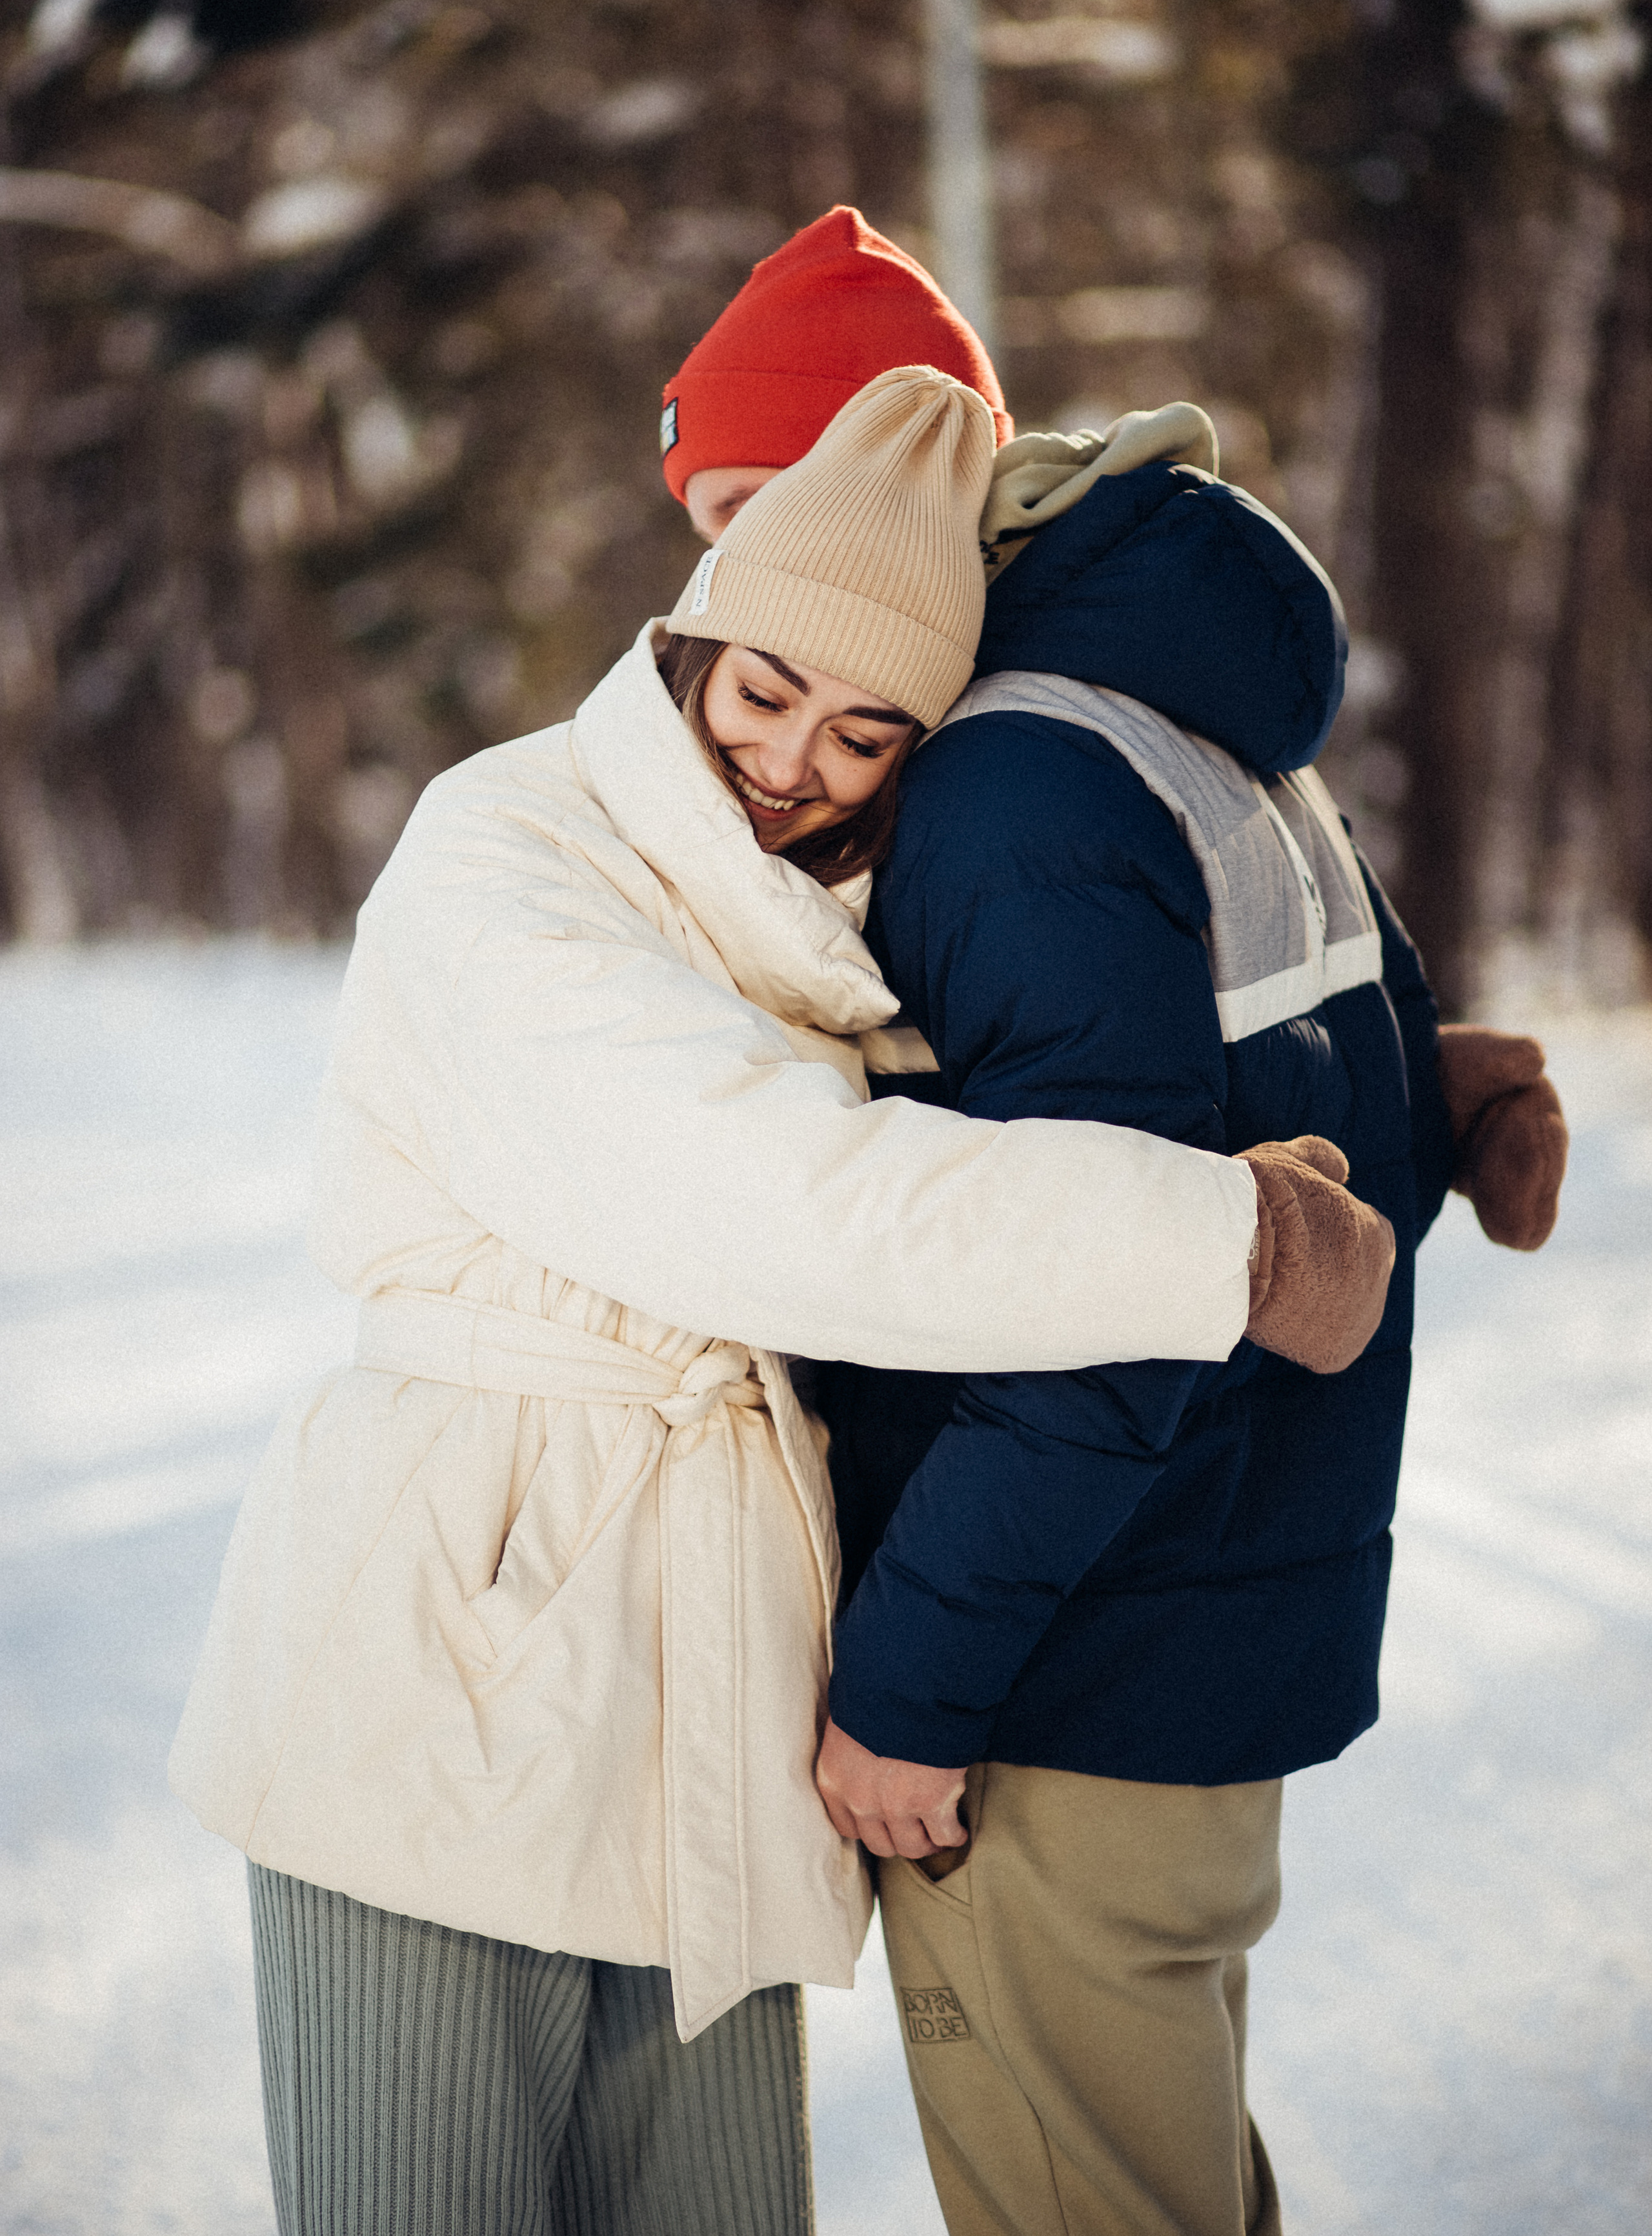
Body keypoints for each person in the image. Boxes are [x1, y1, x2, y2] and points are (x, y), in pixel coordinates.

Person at [170, 363, 1390, 2236]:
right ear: (690, 642)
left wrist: (1425, 1074)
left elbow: (1104, 1007)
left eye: (868, 730)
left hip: (714, 1671)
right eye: (763, 689)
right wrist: (1217, 1242)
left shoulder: (812, 896)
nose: (794, 758)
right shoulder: (513, 850)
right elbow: (788, 1203)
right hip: (457, 1639)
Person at [663, 208, 1568, 2236]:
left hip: (1071, 1672)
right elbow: (1292, 1084)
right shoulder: (1165, 700)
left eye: (752, 507)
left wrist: (912, 1686)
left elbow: (1107, 1283)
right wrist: (1452, 1089)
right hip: (1212, 1620)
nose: (726, 580)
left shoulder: (1002, 783)